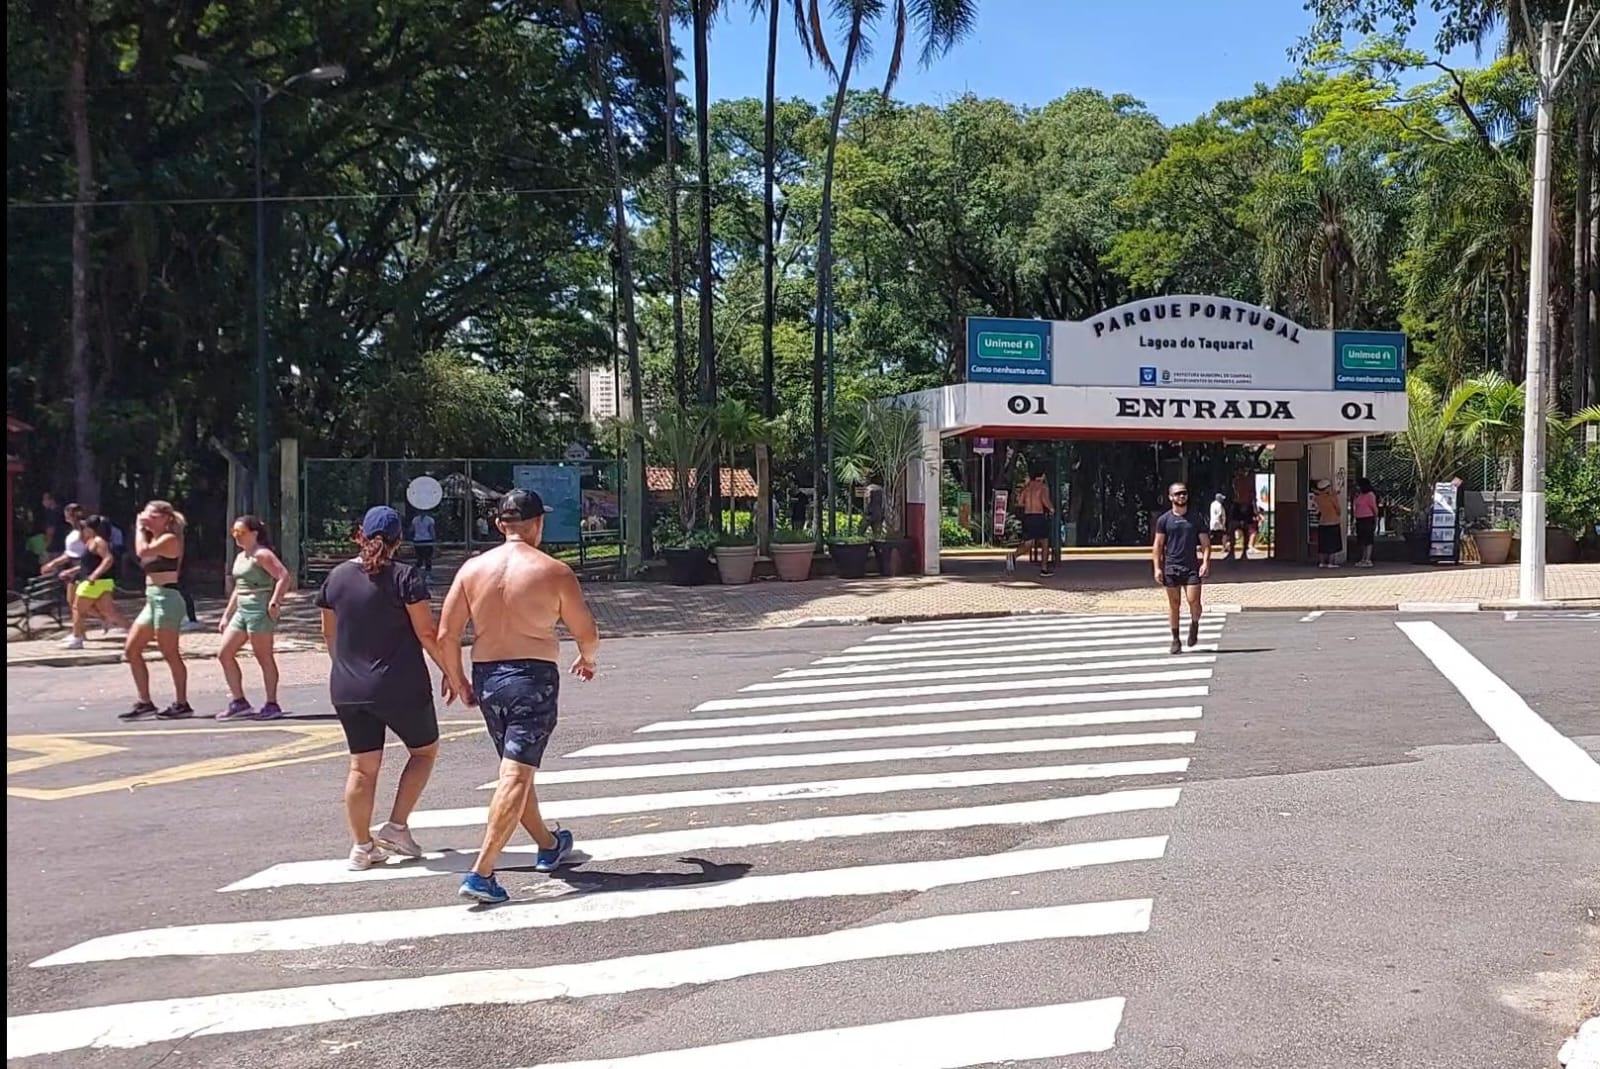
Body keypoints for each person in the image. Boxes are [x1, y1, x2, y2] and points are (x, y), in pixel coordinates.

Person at [439, 489, 600, 905]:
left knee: (517, 768)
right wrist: (587, 657)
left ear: (500, 525)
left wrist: (456, 678)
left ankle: (549, 843)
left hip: (488, 678)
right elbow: (586, 630)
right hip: (532, 679)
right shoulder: (553, 571)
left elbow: (447, 634)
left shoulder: (472, 569)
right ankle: (482, 872)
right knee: (514, 774)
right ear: (537, 524)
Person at [316, 506, 465, 871]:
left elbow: (328, 633)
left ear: (360, 535)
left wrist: (344, 669)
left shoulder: (335, 578)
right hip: (400, 684)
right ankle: (397, 826)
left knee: (362, 767)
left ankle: (361, 847)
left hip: (348, 688)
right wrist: (452, 672)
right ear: (400, 540)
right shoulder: (405, 576)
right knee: (424, 752)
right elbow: (426, 632)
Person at [216, 515, 293, 721]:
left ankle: (271, 703)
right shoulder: (241, 557)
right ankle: (239, 702)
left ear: (254, 533)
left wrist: (275, 601)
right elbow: (239, 588)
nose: (236, 536)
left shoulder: (262, 555)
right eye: (234, 532)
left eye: (240, 532)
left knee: (263, 656)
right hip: (242, 610)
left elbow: (284, 576)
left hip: (259, 610)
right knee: (224, 653)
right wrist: (226, 615)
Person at [122, 500, 193, 720]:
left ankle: (182, 703)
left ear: (166, 518)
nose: (147, 518)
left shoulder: (169, 539)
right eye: (146, 514)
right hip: (152, 599)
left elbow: (142, 551)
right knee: (132, 650)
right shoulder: (153, 537)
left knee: (169, 652)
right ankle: (145, 702)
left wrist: (138, 528)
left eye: (153, 515)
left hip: (167, 599)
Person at [1152, 482, 1210, 655]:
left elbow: (1206, 544)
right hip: (1171, 567)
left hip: (1191, 567)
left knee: (1194, 601)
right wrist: (1157, 568)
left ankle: (1194, 624)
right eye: (1177, 494)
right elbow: (1158, 545)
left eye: (1184, 493)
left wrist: (1205, 562)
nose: (1181, 496)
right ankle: (1175, 639)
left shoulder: (1195, 518)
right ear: (1171, 497)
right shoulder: (1164, 520)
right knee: (1174, 604)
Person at [60, 515, 129, 650]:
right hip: (102, 581)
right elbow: (89, 564)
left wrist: (93, 576)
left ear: (90, 528)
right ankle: (134, 632)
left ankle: (77, 638)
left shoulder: (98, 541)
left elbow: (108, 559)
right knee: (109, 612)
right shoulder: (93, 541)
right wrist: (72, 571)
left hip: (94, 582)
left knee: (77, 608)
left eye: (85, 527)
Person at [39, 503, 88, 620]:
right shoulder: (72, 532)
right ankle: (79, 627)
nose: (66, 516)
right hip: (75, 567)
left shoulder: (85, 531)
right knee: (72, 601)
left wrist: (76, 569)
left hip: (83, 567)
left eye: (68, 513)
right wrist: (52, 564)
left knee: (80, 604)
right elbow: (69, 554)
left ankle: (81, 627)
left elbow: (90, 553)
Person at [1016, 470, 1055, 578]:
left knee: (1029, 542)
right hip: (1038, 516)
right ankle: (1044, 569)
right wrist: (1051, 508)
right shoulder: (1042, 487)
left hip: (1028, 516)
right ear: (1041, 476)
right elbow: (1044, 500)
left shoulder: (1027, 488)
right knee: (1044, 542)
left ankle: (1013, 556)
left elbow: (1020, 502)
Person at [1313, 479, 1344, 568]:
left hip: (1322, 522)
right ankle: (1331, 562)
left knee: (1323, 544)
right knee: (1333, 544)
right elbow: (1338, 510)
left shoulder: (1317, 498)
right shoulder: (1332, 498)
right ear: (1327, 488)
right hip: (1333, 522)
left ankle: (1322, 562)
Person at [1351, 478, 1379, 568]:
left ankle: (1368, 559)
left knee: (1368, 539)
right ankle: (1363, 558)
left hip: (1368, 518)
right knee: (1361, 540)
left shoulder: (1370, 495)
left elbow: (1374, 507)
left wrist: (1376, 517)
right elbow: (1355, 507)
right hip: (1359, 519)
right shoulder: (1359, 495)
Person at [410, 510, 437, 578]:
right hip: (427, 540)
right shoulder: (430, 519)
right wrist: (434, 539)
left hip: (417, 541)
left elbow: (412, 530)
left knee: (420, 559)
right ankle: (427, 575)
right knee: (428, 559)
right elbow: (432, 531)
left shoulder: (415, 519)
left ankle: (414, 572)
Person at [39, 492, 67, 556]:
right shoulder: (62, 511)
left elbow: (50, 532)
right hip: (62, 546)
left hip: (53, 549)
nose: (43, 502)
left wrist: (45, 547)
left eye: (45, 499)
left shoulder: (53, 514)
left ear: (52, 500)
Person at [1209, 493, 1229, 558]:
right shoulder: (1219, 505)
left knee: (1211, 535)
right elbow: (1220, 515)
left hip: (1213, 522)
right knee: (1224, 535)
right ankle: (1224, 547)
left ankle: (1207, 546)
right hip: (1218, 523)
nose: (1222, 500)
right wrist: (1222, 525)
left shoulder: (1212, 504)